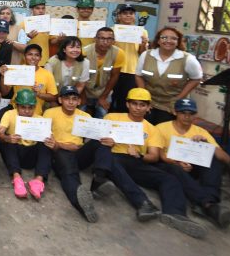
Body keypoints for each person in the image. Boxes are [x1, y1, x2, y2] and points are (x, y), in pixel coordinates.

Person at [43, 85, 159, 223]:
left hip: (79, 153)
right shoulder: (49, 113)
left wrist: (108, 140)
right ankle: (82, 204)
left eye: (74, 99)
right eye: (67, 99)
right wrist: (61, 145)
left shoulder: (85, 117)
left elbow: (88, 140)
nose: (71, 102)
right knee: (69, 174)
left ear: (79, 101)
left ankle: (99, 178)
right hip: (59, 152)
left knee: (102, 141)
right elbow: (46, 139)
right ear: (60, 100)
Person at [107, 88, 207, 238]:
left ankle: (175, 214)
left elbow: (153, 156)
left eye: (142, 105)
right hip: (113, 157)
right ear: (127, 104)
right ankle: (143, 203)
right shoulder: (111, 117)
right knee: (112, 160)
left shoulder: (152, 129)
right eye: (134, 104)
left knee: (169, 178)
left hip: (136, 161)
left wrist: (140, 155)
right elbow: (97, 138)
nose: (138, 108)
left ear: (148, 108)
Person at [155, 98, 230, 228]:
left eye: (191, 113)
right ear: (175, 112)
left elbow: (227, 158)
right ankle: (208, 205)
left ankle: (208, 199)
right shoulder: (161, 128)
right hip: (169, 165)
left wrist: (207, 145)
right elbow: (158, 154)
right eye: (183, 112)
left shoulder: (200, 132)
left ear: (195, 115)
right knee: (173, 169)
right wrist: (176, 162)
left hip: (193, 168)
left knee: (214, 159)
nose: (187, 117)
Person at [135, 27, 202, 125]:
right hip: (149, 102)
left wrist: (178, 98)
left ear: (178, 42)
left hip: (171, 105)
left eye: (173, 38)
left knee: (164, 132)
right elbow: (138, 75)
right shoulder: (146, 55)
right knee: (145, 130)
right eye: (164, 37)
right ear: (158, 40)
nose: (168, 41)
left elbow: (196, 79)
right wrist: (144, 97)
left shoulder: (188, 59)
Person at [0, 89, 51, 200]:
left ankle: (38, 181)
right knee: (7, 142)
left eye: (30, 108)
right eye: (23, 107)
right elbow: (1, 135)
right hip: (16, 153)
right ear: (17, 106)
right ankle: (17, 178)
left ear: (35, 107)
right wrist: (6, 137)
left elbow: (50, 137)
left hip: (32, 155)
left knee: (46, 145)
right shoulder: (9, 114)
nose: (27, 111)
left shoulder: (40, 119)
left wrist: (51, 140)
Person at [0, 44, 57, 116]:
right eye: (30, 54)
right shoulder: (16, 70)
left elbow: (53, 97)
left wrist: (39, 94)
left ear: (40, 58)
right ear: (24, 56)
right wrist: (3, 77)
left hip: (36, 113)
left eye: (37, 55)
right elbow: (4, 92)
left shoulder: (47, 74)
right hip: (15, 110)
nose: (33, 57)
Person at [111, 3, 149, 113]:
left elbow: (142, 53)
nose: (128, 16)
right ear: (119, 16)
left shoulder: (142, 31)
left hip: (132, 70)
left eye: (131, 13)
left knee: (126, 99)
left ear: (134, 16)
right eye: (125, 13)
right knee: (112, 98)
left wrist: (143, 44)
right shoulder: (113, 30)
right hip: (115, 69)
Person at [83, 27, 124, 118]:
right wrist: (82, 96)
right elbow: (79, 77)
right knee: (81, 117)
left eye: (109, 39)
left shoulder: (119, 53)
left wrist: (103, 97)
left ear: (114, 41)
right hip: (85, 90)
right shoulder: (84, 52)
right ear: (95, 39)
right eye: (102, 38)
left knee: (102, 117)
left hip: (104, 91)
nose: (105, 42)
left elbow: (114, 76)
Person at [13, 0, 50, 66]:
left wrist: (60, 38)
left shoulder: (48, 23)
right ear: (31, 9)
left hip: (44, 61)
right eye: (37, 8)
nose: (41, 11)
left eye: (43, 8)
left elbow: (53, 41)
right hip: (28, 62)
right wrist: (28, 37)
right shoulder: (23, 24)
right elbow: (20, 45)